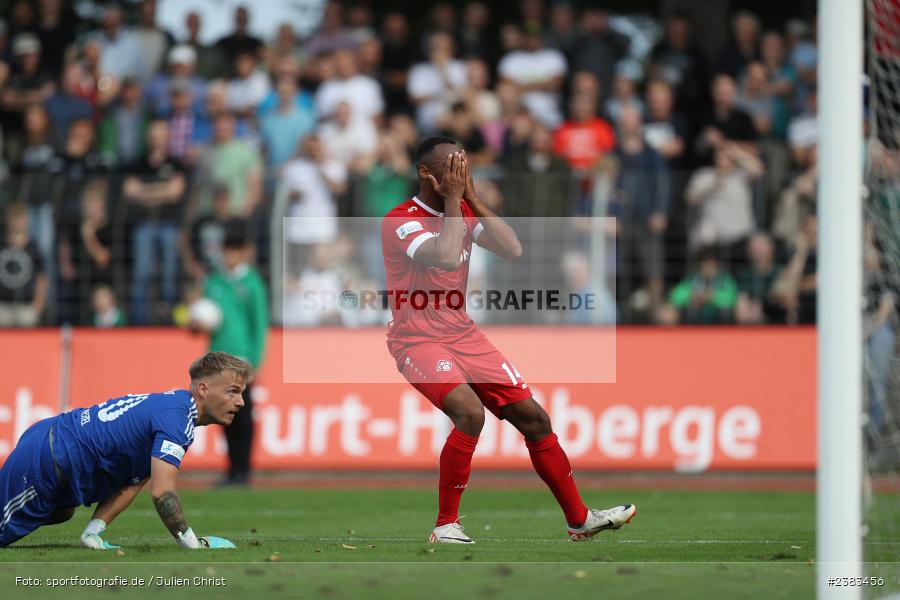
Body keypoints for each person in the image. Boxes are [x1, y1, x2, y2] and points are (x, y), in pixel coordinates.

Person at [380, 137, 635, 543]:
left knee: (536, 419)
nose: (461, 174)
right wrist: (453, 203)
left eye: (465, 166)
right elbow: (445, 256)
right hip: (417, 339)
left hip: (462, 332)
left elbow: (513, 248)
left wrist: (473, 199)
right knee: (469, 413)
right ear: (426, 174)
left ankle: (579, 519)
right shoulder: (401, 219)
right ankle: (446, 525)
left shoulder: (463, 208)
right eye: (452, 167)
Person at [0, 352, 249, 548]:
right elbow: (163, 493)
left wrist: (93, 532)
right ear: (203, 389)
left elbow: (135, 480)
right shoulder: (177, 420)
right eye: (233, 392)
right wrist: (193, 545)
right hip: (48, 460)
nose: (241, 402)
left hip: (51, 440)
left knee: (63, 512)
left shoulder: (175, 404)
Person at [200, 229, 268, 486]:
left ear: (242, 253)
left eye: (233, 251)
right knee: (223, 414)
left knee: (243, 413)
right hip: (218, 358)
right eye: (226, 251)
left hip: (241, 359)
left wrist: (256, 361)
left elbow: (259, 324)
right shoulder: (214, 282)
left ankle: (243, 469)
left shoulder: (252, 284)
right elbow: (208, 320)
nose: (228, 256)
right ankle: (231, 470)